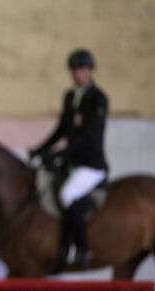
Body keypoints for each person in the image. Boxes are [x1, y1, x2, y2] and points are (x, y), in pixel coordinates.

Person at [29, 48, 109, 267]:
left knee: (67, 193)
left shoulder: (98, 99)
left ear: (90, 71)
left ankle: (83, 247)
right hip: (72, 162)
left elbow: (88, 137)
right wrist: (41, 149)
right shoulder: (70, 96)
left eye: (82, 69)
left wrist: (60, 155)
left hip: (91, 164)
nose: (78, 74)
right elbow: (61, 130)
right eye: (74, 69)